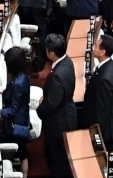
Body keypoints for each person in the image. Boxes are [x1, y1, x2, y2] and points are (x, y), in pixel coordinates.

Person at [39, 33, 78, 178]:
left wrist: (39, 109)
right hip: (67, 113)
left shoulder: (57, 75)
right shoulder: (67, 61)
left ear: (52, 53)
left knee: (58, 161)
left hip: (59, 122)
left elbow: (50, 104)